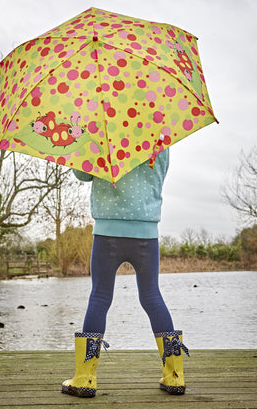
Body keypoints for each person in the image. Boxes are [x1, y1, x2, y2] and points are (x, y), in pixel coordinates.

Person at [62, 149, 189, 398]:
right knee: (152, 297)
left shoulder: (102, 134)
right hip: (147, 233)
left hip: (107, 231)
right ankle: (175, 376)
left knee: (99, 297)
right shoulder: (160, 138)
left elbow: (80, 173)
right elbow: (159, 174)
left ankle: (85, 379)